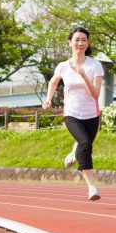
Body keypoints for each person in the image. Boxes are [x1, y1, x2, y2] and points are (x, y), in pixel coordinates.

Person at [42, 27, 104, 202]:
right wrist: (48, 99)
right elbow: (53, 82)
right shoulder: (63, 66)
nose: (80, 43)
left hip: (92, 114)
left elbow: (96, 94)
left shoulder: (95, 65)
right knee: (85, 144)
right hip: (72, 114)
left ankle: (73, 154)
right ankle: (92, 187)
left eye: (84, 40)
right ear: (70, 42)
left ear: (88, 43)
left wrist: (84, 76)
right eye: (77, 39)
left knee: (83, 146)